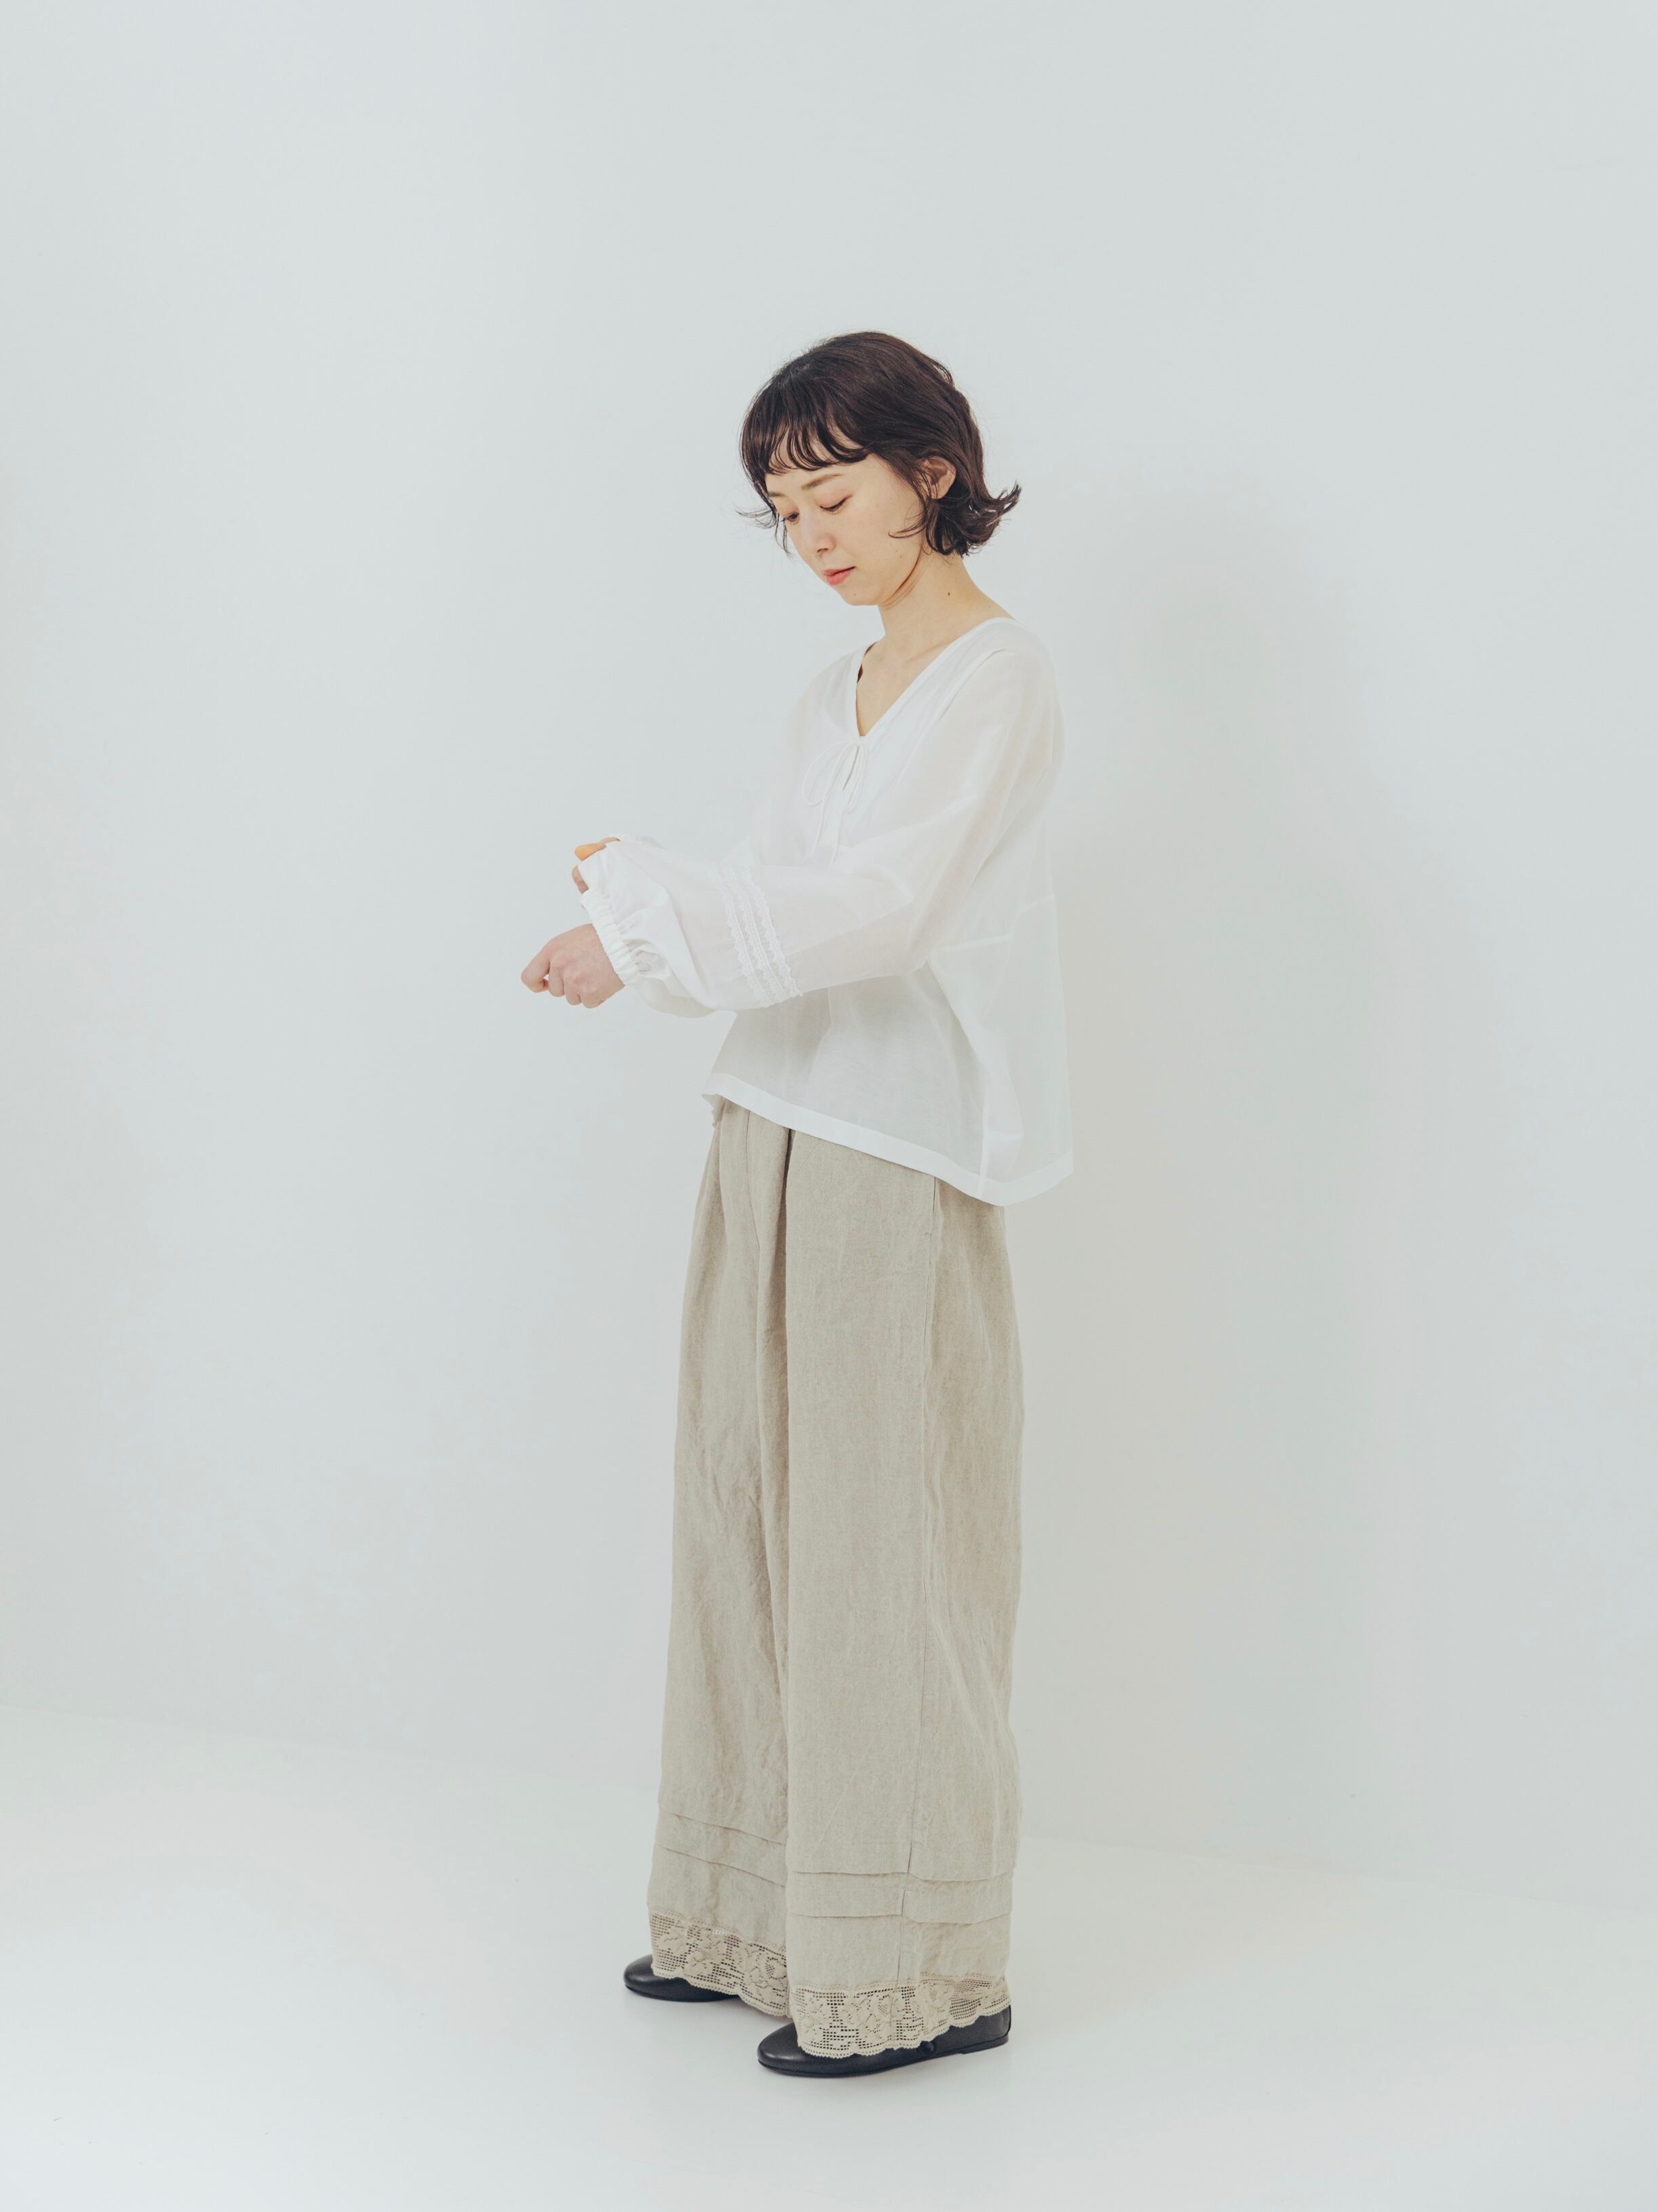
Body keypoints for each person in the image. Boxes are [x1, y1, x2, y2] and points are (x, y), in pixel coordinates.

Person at [520, 330, 1073, 2077]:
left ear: (930, 471)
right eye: (785, 509)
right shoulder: (829, 691)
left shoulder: (995, 678)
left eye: (833, 492)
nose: (812, 535)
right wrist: (649, 922)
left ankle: (917, 1968)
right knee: (746, 1514)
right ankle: (749, 1916)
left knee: (879, 1545)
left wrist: (640, 919)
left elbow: (882, 910)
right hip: (770, 1114)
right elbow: (780, 891)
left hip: (893, 1147)